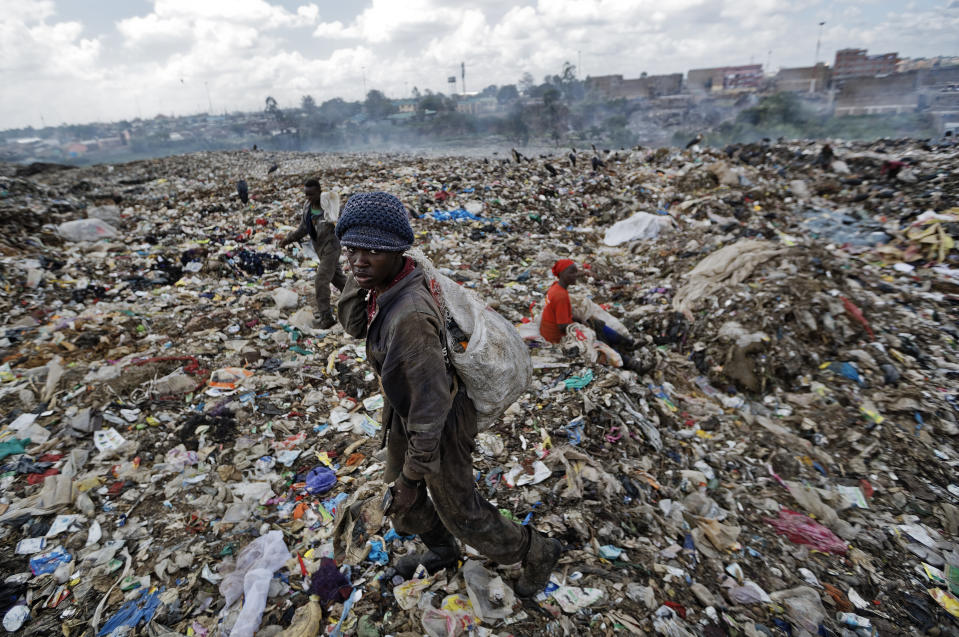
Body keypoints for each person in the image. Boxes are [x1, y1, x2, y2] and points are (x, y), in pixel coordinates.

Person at [335, 192, 561, 597]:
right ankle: (441, 552)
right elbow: (354, 325)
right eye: (352, 250)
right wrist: (360, 273)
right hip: (411, 410)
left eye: (373, 251)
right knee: (402, 502)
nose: (359, 260)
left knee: (461, 510)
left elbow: (431, 408)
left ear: (397, 251)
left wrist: (412, 474)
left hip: (440, 421)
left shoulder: (410, 318)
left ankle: (536, 550)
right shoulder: (387, 281)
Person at [540, 259, 647, 372]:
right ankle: (631, 363)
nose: (575, 275)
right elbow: (562, 325)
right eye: (571, 272)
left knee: (595, 322)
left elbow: (561, 315)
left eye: (575, 272)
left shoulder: (556, 287)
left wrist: (581, 321)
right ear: (561, 274)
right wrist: (581, 326)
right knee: (596, 337)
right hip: (556, 337)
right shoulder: (560, 295)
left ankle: (627, 343)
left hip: (550, 329)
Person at [278, 179, 346, 328]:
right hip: (319, 248)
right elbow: (303, 228)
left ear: (319, 192)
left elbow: (341, 222)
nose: (308, 197)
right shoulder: (307, 207)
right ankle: (360, 298)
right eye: (306, 194)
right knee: (338, 279)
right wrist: (287, 240)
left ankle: (326, 318)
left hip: (332, 247)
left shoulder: (328, 205)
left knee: (321, 280)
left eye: (312, 194)